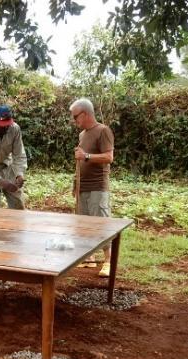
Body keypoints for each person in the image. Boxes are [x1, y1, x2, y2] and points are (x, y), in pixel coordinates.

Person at [70, 98, 115, 278]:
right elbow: (80, 161)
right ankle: (89, 258)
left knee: (101, 224)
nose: (75, 121)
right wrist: (76, 184)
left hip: (98, 186)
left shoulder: (103, 131)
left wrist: (86, 156)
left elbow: (109, 157)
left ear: (86, 113)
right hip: (83, 187)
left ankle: (108, 261)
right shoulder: (82, 135)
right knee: (84, 225)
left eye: (76, 117)